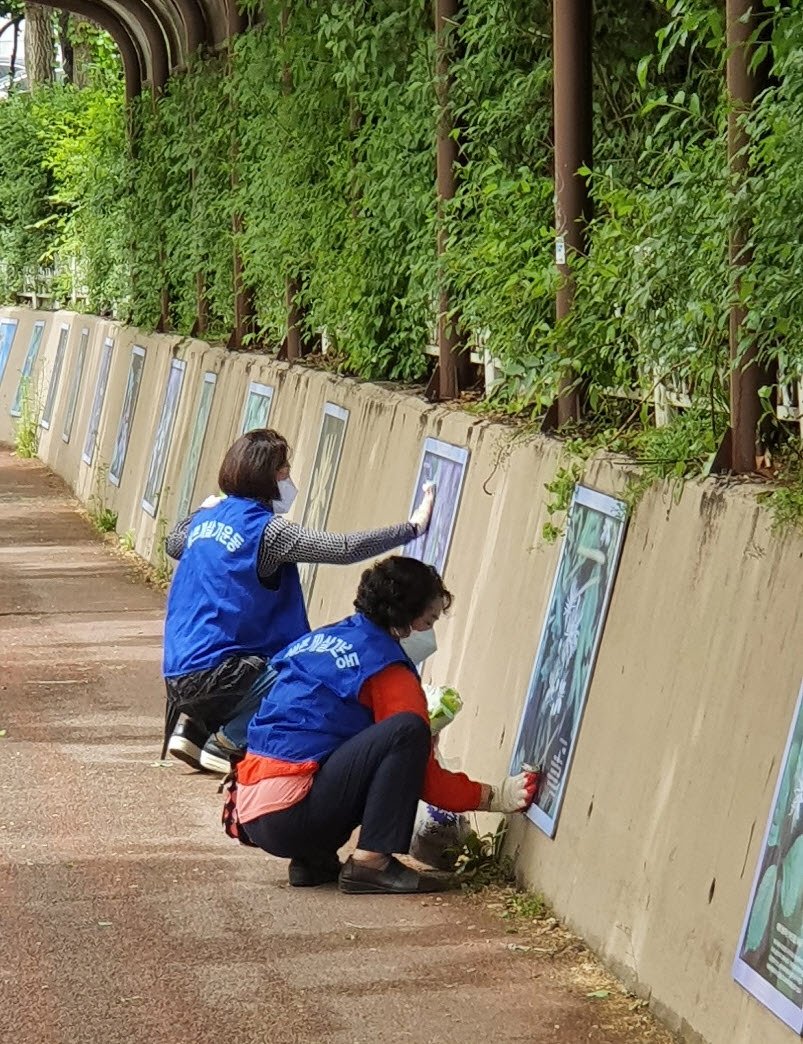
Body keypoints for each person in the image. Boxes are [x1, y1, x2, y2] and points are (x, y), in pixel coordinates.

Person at [227, 556, 537, 895]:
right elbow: (425, 779)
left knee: (346, 743)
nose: (429, 633)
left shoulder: (325, 639)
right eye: (429, 620)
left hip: (253, 808)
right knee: (407, 730)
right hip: (293, 813)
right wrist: (494, 797)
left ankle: (313, 859)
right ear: (405, 619)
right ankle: (370, 863)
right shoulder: (387, 670)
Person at [162, 429, 435, 774]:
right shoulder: (269, 532)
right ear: (267, 477)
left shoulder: (204, 522)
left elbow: (172, 544)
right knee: (310, 664)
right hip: (220, 676)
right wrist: (411, 528)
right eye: (284, 471)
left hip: (178, 674)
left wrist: (200, 511)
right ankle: (227, 741)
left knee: (244, 653)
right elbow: (344, 548)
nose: (289, 478)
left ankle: (192, 730)